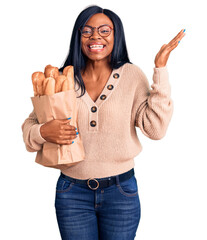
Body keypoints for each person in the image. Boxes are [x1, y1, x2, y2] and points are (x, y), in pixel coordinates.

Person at [21, 5, 185, 240]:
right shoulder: (61, 79)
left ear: (116, 35)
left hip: (121, 193)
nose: (95, 36)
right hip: (72, 193)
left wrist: (160, 69)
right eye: (86, 31)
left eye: (104, 30)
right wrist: (44, 131)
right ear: (78, 37)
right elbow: (29, 129)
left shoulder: (132, 76)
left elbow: (156, 130)